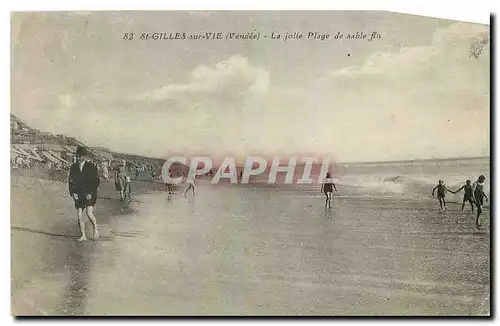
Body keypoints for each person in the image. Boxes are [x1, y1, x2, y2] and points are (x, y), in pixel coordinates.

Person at [68, 146, 100, 241]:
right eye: (77, 156)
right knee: (79, 215)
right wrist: (72, 192)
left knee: (89, 214)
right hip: (79, 193)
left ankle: (95, 229)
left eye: (80, 156)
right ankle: (83, 235)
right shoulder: (73, 167)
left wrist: (90, 192)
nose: (78, 158)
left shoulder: (91, 166)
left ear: (84, 157)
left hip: (90, 193)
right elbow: (70, 181)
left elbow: (96, 181)